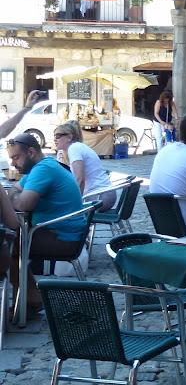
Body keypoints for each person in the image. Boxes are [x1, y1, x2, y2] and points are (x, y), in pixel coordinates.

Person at [6, 133, 85, 316]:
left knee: (6, 245)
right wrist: (15, 196)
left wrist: (14, 198)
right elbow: (15, 190)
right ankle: (31, 297)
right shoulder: (41, 167)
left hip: (63, 238)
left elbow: (24, 203)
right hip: (57, 232)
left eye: (16, 157)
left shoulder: (43, 169)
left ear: (31, 152)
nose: (12, 164)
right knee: (10, 241)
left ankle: (30, 300)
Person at [53, 121, 116, 210]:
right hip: (104, 195)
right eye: (54, 136)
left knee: (57, 208)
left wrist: (74, 204)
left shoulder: (74, 148)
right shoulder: (77, 147)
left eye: (58, 136)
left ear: (69, 137)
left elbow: (80, 180)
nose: (55, 139)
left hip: (99, 198)